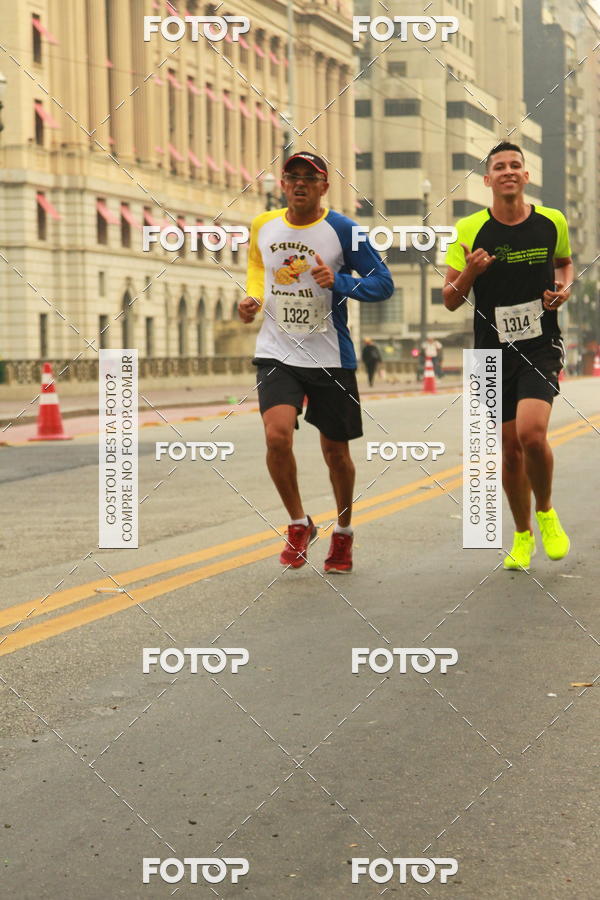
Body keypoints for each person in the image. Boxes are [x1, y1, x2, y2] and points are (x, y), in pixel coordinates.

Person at [238, 151, 394, 572]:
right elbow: (258, 266)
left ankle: (342, 533)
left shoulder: (344, 230)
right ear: (282, 184)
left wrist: (340, 281)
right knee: (276, 438)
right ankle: (297, 523)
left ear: (325, 186)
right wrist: (253, 298)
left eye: (311, 177)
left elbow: (383, 284)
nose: (301, 183)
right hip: (277, 350)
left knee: (336, 453)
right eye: (293, 176)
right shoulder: (262, 226)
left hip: (329, 355)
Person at [443, 141, 573, 571]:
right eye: (499, 167)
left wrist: (562, 289)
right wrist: (471, 272)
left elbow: (565, 263)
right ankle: (522, 536)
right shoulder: (467, 230)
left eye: (516, 165)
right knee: (509, 451)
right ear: (488, 180)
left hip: (540, 342)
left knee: (531, 435)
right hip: (490, 351)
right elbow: (449, 299)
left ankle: (547, 511)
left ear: (526, 175)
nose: (508, 172)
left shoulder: (552, 221)